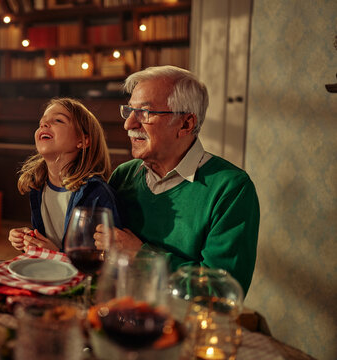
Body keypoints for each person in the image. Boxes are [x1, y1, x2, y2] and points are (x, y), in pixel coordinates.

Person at [102, 66, 259, 294]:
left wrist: (142, 256)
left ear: (185, 124)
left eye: (144, 113)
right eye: (128, 111)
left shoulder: (231, 189)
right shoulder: (123, 175)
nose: (129, 125)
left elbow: (221, 291)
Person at [8, 98, 121, 252]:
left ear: (82, 140)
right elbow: (49, 242)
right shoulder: (38, 185)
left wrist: (56, 255)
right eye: (42, 122)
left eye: (58, 120)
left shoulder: (98, 194)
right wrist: (29, 239)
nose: (43, 124)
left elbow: (110, 259)